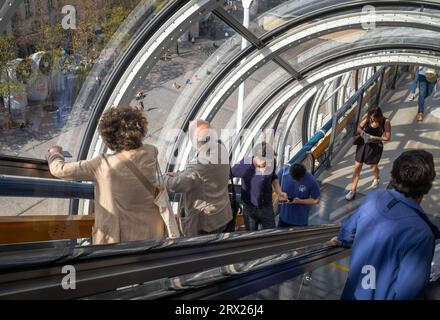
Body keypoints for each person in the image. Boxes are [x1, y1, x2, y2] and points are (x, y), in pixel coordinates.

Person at [47, 106, 167, 245]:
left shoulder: (102, 164)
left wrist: (54, 153)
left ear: (108, 136)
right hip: (152, 234)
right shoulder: (151, 152)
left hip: (118, 240)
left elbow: (59, 170)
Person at [331, 150, 439, 300]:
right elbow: (407, 292)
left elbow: (348, 232)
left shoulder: (374, 198)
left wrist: (341, 240)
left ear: (393, 175)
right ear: (427, 185)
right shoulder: (422, 235)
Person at [164, 119, 232, 236]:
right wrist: (184, 173)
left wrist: (162, 177)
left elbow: (177, 184)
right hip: (221, 214)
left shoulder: (200, 164)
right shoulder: (221, 148)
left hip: (206, 223)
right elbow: (206, 174)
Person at [231, 143, 288, 231]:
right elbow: (226, 175)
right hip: (250, 209)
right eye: (264, 163)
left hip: (267, 207)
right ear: (256, 157)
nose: (267, 166)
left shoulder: (271, 161)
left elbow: (273, 177)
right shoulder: (244, 164)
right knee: (251, 237)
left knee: (270, 234)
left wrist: (279, 192)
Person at [346, 107, 391, 201]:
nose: (372, 120)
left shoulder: (385, 122)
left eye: (374, 119)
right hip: (363, 145)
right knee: (357, 168)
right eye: (371, 118)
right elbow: (358, 128)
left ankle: (376, 178)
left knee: (373, 166)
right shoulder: (367, 117)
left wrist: (374, 137)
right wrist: (362, 133)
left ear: (379, 117)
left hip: (374, 147)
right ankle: (353, 190)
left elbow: (387, 138)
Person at [277, 163, 321, 228]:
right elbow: (275, 183)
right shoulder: (284, 171)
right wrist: (279, 193)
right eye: (293, 178)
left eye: (298, 179)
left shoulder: (311, 181)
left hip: (300, 221)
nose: (295, 180)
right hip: (284, 217)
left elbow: (316, 200)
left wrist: (299, 201)